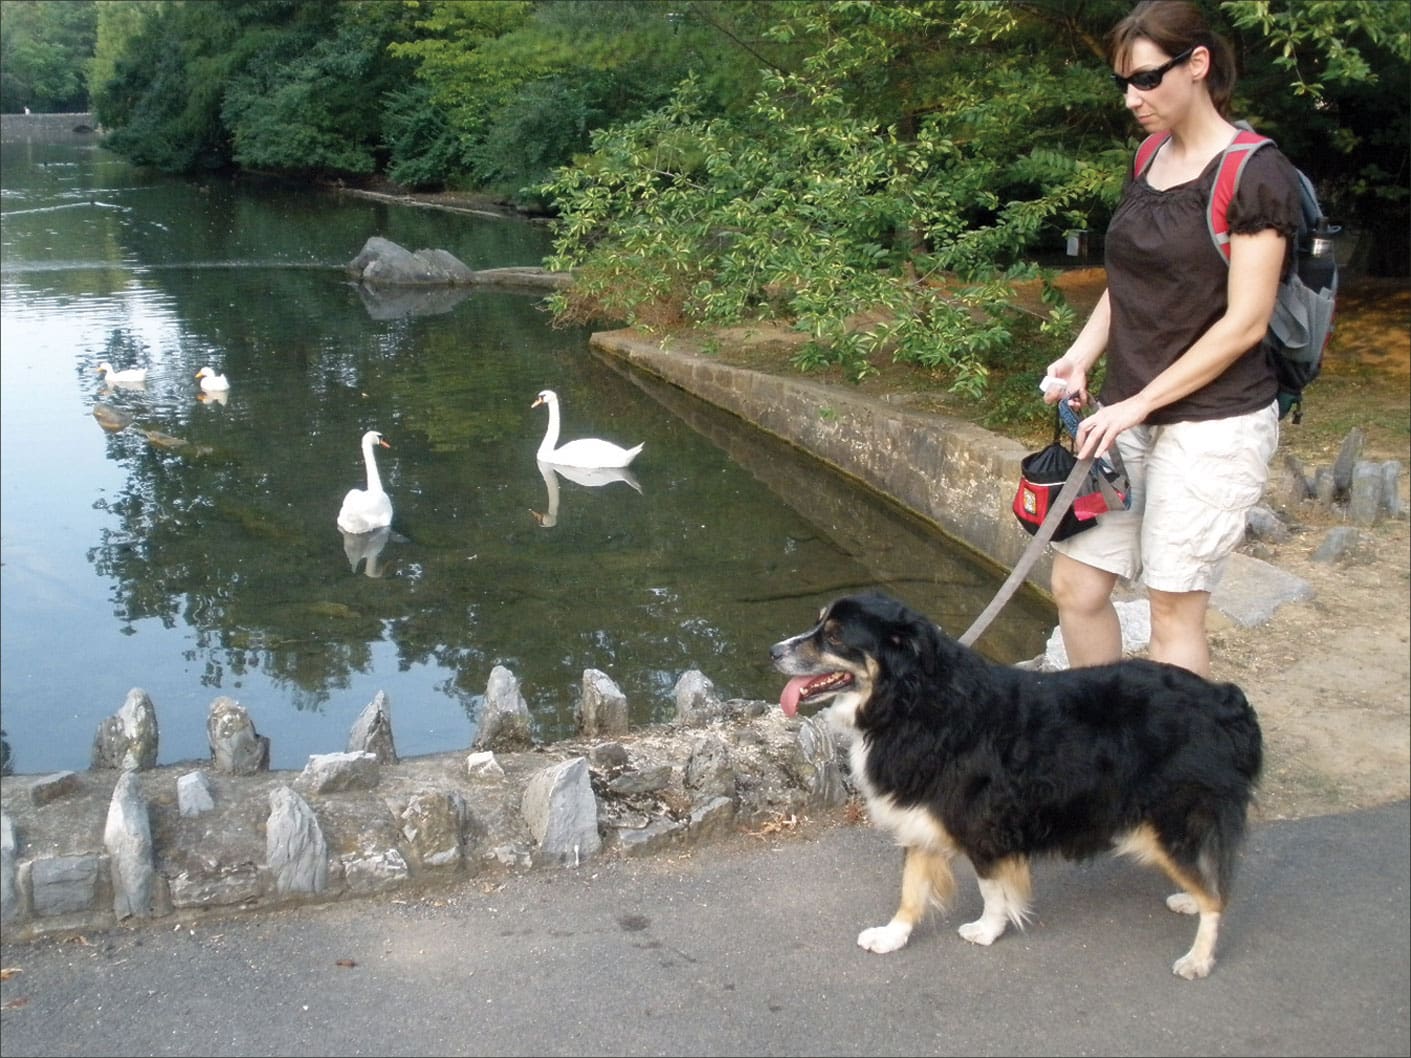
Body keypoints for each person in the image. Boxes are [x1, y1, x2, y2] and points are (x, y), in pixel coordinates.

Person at [1041, 0, 1303, 678]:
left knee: (1170, 613)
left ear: (1198, 65)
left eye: (1147, 79)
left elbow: (1244, 323)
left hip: (1213, 423)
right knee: (1077, 587)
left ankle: (1172, 779)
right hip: (1124, 415)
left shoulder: (1253, 172)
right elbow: (1130, 281)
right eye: (1122, 83)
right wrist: (1081, 356)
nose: (1132, 98)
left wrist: (1135, 404)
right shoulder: (1148, 154)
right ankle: (1100, 753)